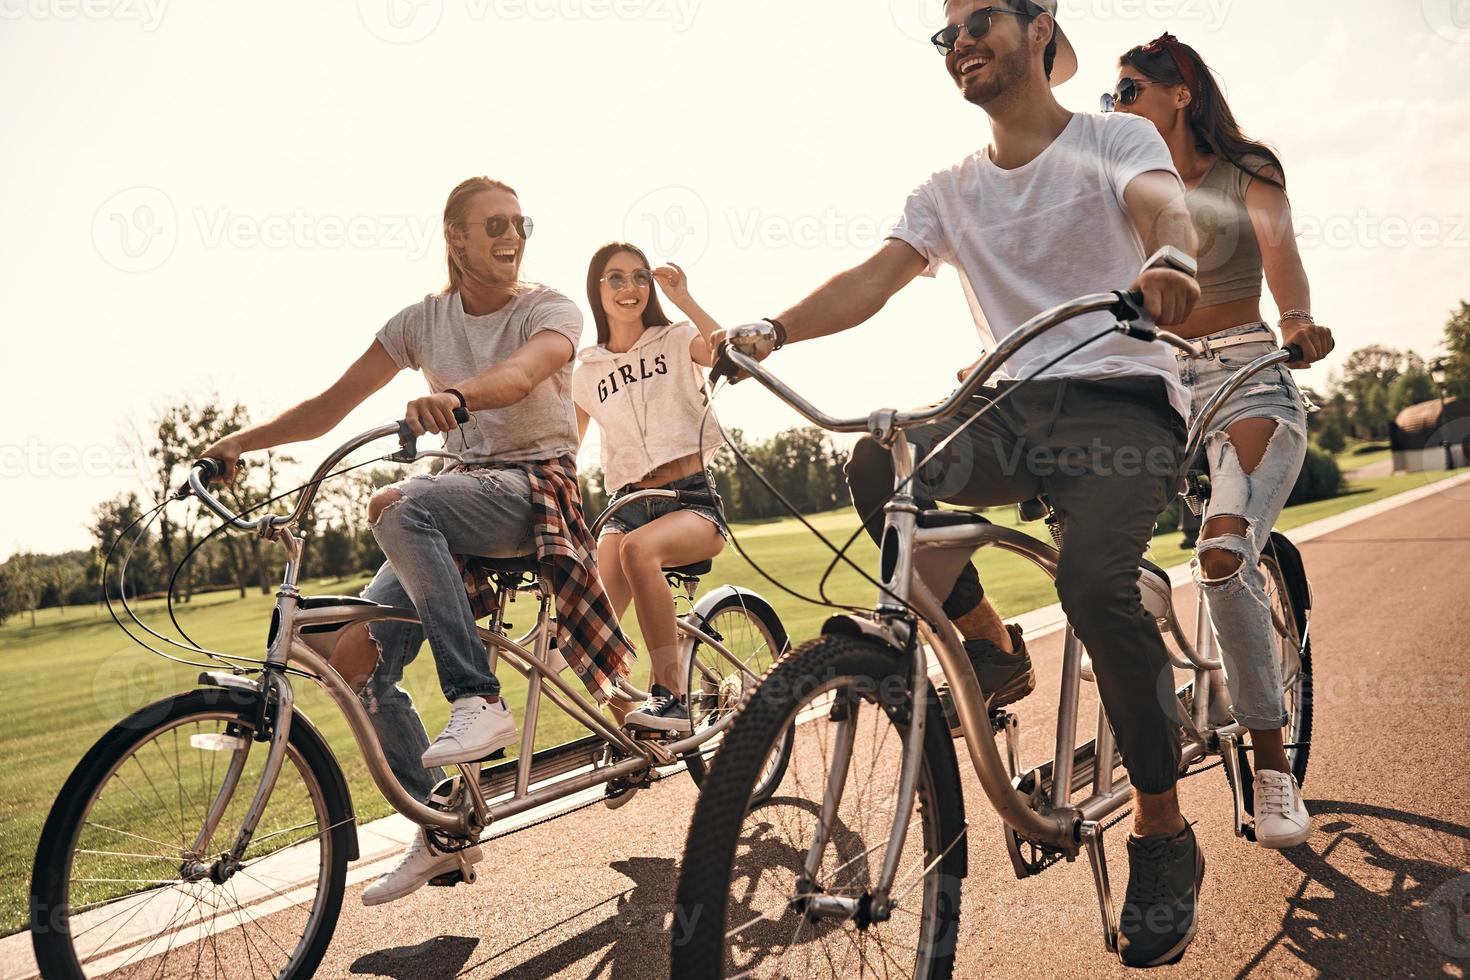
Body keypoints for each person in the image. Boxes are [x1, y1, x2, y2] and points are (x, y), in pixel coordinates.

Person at [715, 0, 1210, 966]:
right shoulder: (948, 189)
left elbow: (1165, 204)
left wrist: (1170, 258)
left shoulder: (1113, 136)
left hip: (1119, 401)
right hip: (1008, 410)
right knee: (877, 458)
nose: (962, 42)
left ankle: (1161, 828)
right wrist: (773, 329)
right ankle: (987, 646)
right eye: (948, 33)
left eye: (981, 19)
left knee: (1096, 585)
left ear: (1039, 26)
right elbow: (876, 277)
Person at [199, 177, 633, 906]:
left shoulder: (549, 307)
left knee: (396, 505)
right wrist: (241, 442)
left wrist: (459, 397)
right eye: (493, 224)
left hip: (534, 491)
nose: (512, 235)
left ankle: (477, 697)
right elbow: (330, 405)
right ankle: (444, 827)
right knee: (352, 661)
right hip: (454, 494)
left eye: (520, 223)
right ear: (455, 236)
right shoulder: (420, 322)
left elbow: (526, 371)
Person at [1107, 32, 1334, 849]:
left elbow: (1281, 252)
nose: (1116, 106)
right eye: (1112, 95)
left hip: (1248, 372)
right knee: (1103, 555)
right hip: (1158, 384)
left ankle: (1272, 769)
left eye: (1129, 90)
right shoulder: (1129, 185)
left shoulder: (1249, 172)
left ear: (1179, 94)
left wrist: (1299, 319)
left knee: (1224, 553)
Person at [571, 243, 728, 733]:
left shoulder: (677, 338)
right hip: (625, 505)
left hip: (691, 499)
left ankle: (672, 697)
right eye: (615, 278)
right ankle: (634, 741)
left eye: (639, 277)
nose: (630, 288)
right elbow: (563, 448)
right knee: (591, 628)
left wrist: (684, 298)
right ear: (597, 290)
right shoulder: (585, 371)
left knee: (639, 552)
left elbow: (726, 349)